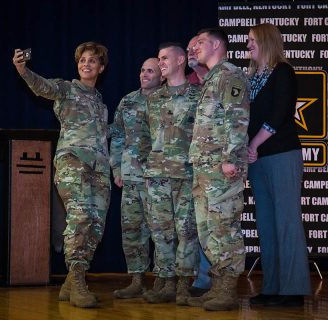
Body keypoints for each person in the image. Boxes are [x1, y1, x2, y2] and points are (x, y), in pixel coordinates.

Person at [12, 42, 110, 308]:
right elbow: (43, 86)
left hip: (99, 169)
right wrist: (23, 70)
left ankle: (70, 283)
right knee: (79, 219)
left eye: (92, 61)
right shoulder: (67, 89)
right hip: (73, 164)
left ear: (101, 67)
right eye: (82, 60)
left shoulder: (100, 102)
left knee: (95, 224)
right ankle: (77, 281)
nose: (86, 64)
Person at [245, 23, 312, 307]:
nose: (248, 45)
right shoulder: (251, 77)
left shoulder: (283, 71)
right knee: (267, 224)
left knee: (286, 222)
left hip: (281, 154)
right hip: (258, 159)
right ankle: (272, 287)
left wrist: (254, 144)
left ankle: (293, 289)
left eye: (252, 40)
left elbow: (279, 114)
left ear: (267, 41)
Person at [187, 27, 250, 311]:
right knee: (206, 230)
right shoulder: (210, 79)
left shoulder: (230, 75)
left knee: (224, 227)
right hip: (204, 168)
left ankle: (228, 288)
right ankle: (218, 282)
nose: (195, 47)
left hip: (221, 168)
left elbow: (237, 120)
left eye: (200, 42)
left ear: (215, 44)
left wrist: (231, 158)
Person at [143, 42, 200, 306]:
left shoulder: (197, 95)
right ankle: (164, 282)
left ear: (181, 60)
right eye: (158, 58)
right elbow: (145, 137)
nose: (160, 62)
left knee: (187, 231)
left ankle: (183, 285)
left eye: (165, 58)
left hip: (186, 174)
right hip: (156, 175)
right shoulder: (153, 98)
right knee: (160, 231)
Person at [110, 58, 162, 299]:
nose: (144, 74)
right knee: (132, 230)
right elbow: (118, 135)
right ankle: (137, 279)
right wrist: (116, 169)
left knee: (160, 230)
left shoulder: (166, 100)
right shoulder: (128, 100)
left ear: (162, 75)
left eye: (150, 70)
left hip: (158, 178)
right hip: (130, 176)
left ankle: (163, 281)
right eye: (142, 70)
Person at [185, 35, 212, 298]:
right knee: (193, 226)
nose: (192, 51)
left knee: (212, 224)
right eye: (188, 48)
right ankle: (191, 275)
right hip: (187, 164)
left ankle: (206, 279)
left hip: (213, 164)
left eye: (196, 47)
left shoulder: (218, 79)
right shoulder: (185, 84)